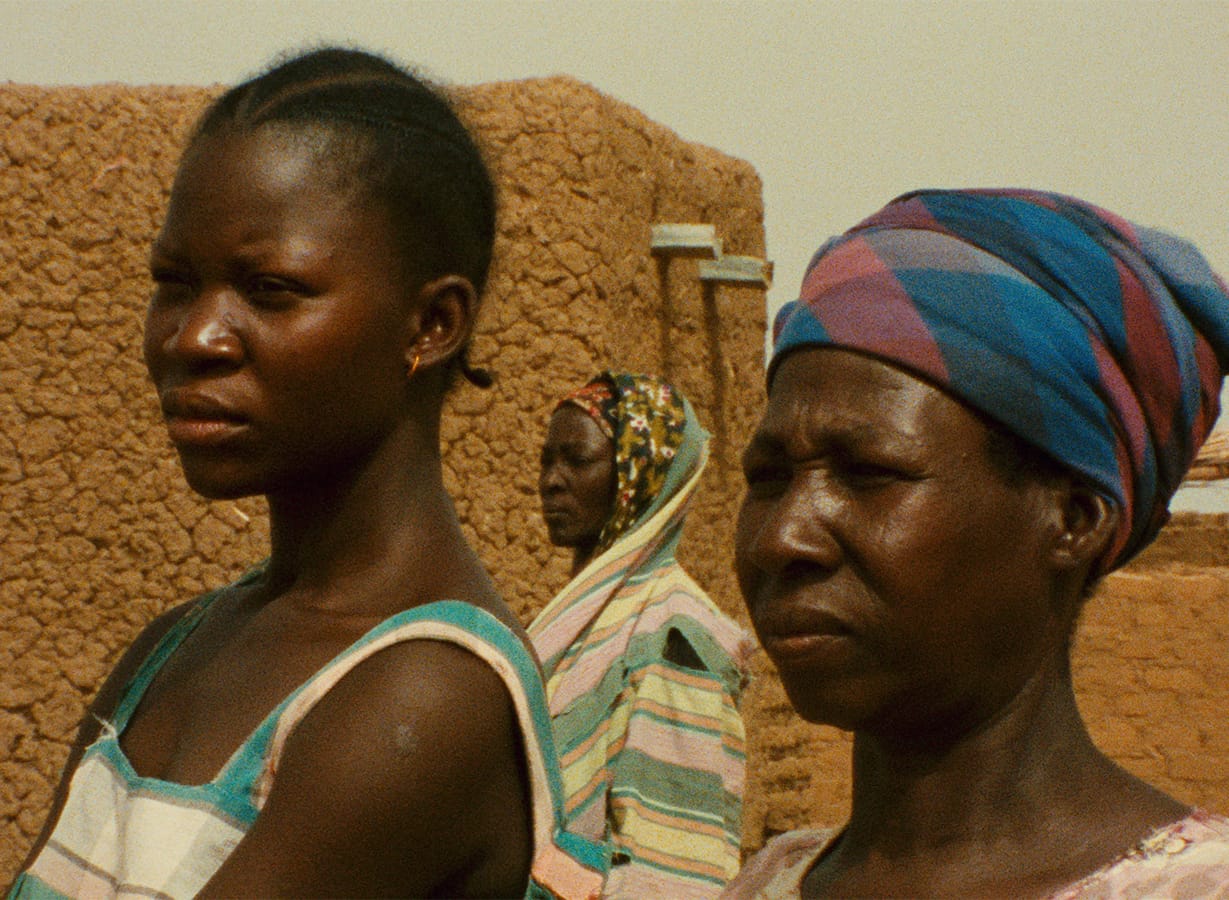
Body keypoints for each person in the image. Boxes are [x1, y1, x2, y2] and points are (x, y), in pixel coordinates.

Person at [10, 47, 604, 900]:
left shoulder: (426, 697)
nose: (193, 337)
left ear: (431, 324)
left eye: (269, 288)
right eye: (174, 282)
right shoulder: (178, 645)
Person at [726, 189, 1229, 898]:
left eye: (868, 474)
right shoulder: (768, 883)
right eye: (768, 478)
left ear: (1073, 519)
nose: (783, 538)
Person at [530, 371, 755, 898]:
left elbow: (673, 868)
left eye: (577, 460)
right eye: (546, 460)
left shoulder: (673, 631)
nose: (551, 480)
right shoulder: (578, 622)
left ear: (640, 475)